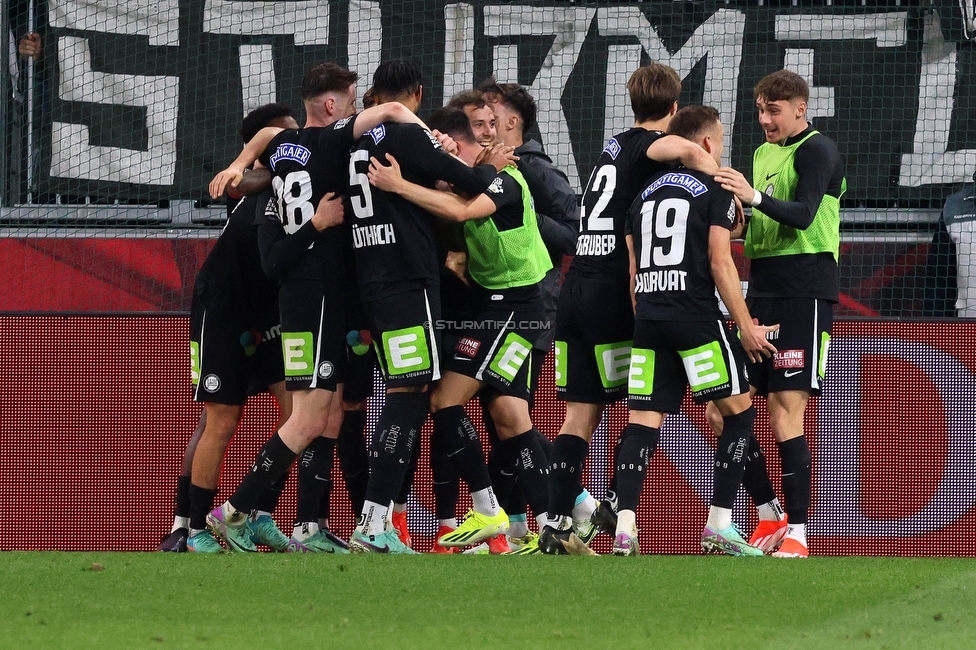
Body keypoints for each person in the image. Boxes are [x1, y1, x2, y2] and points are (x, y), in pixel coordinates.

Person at [204, 62, 426, 552]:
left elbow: (265, 132)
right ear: (331, 106)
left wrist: (241, 161)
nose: (356, 105)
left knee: (322, 417)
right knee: (309, 418)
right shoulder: (330, 143)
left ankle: (296, 521)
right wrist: (433, 141)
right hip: (317, 294)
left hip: (304, 298)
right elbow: (390, 108)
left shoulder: (285, 149)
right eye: (349, 99)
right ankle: (235, 512)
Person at [539, 63, 720, 554]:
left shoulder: (611, 148)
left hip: (574, 286)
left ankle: (555, 524)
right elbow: (677, 147)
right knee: (645, 409)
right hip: (609, 294)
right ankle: (618, 515)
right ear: (674, 108)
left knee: (578, 416)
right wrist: (721, 177)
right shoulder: (649, 143)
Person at [344, 60, 515, 554]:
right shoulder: (402, 134)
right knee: (407, 393)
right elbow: (464, 177)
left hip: (372, 280)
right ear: (418, 93)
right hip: (409, 281)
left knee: (416, 395)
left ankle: (453, 511)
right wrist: (492, 167)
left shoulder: (354, 142)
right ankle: (375, 524)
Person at [366, 106, 553, 553]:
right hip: (500, 308)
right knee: (510, 415)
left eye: (453, 148)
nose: (446, 156)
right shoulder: (474, 177)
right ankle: (558, 521)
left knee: (445, 399)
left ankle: (490, 512)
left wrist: (399, 185)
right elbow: (450, 216)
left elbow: (459, 211)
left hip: (520, 306)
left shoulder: (504, 178)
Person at [617, 105, 777, 556]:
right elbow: (720, 260)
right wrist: (744, 324)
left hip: (648, 318)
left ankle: (625, 527)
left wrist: (648, 317)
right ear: (706, 144)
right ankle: (720, 524)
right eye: (721, 140)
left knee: (642, 424)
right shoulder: (715, 190)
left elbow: (632, 274)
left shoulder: (640, 197)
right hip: (694, 319)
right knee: (739, 413)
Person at [711, 70, 846, 558]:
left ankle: (800, 533)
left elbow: (806, 213)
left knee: (785, 413)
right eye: (761, 110)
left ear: (800, 109)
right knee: (720, 410)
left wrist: (753, 197)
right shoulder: (762, 154)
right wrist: (739, 215)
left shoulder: (818, 150)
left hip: (805, 292)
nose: (766, 120)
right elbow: (763, 218)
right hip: (761, 289)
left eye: (775, 110)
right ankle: (769, 515)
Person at [158, 103, 299, 554]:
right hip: (223, 307)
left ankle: (257, 514)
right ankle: (190, 527)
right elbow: (245, 180)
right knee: (220, 417)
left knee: (299, 411)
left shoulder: (292, 180)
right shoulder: (253, 180)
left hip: (268, 312)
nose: (298, 144)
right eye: (287, 137)